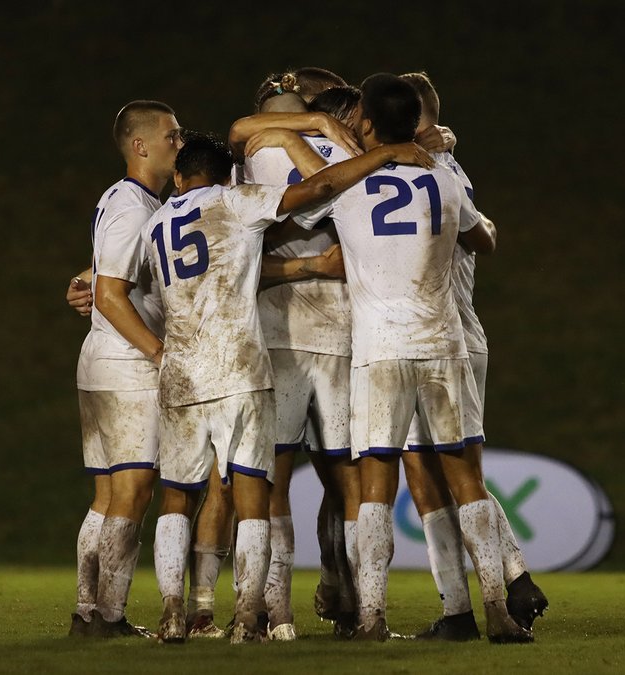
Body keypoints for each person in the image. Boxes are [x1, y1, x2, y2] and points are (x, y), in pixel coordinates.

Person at [132, 132, 434, 644]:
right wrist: (380, 155)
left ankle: (171, 613)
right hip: (238, 368)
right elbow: (315, 190)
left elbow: (127, 280)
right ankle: (248, 616)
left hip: (180, 370)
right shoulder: (235, 200)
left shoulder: (156, 222)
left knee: (177, 498)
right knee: (252, 494)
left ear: (179, 177)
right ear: (226, 174)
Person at [292, 73, 525, 643]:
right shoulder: (442, 181)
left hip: (381, 351)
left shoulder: (346, 189)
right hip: (442, 344)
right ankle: (496, 608)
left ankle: (372, 617)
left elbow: (297, 199)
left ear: (365, 123)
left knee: (375, 485)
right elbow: (484, 240)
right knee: (467, 478)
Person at [396, 72, 547, 642]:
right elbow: (484, 233)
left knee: (437, 476)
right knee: (449, 473)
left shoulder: (419, 168)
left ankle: (467, 607)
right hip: (460, 334)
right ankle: (513, 579)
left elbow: (482, 236)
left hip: (431, 338)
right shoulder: (449, 167)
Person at [240, 85, 365, 641]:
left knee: (273, 481)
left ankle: (275, 612)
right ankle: (366, 609)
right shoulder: (353, 166)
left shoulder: (242, 175)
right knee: (353, 482)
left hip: (280, 339)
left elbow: (237, 266)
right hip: (342, 340)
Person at [65, 100, 183, 638]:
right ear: (140, 146)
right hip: (127, 366)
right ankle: (109, 617)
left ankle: (87, 611)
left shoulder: (123, 199)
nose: (177, 144)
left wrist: (83, 279)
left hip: (103, 362)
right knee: (133, 494)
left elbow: (103, 276)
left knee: (108, 497)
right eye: (171, 135)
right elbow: (112, 296)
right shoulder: (135, 205)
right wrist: (160, 354)